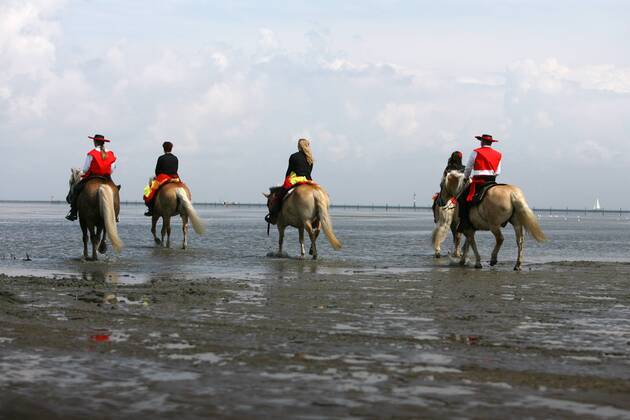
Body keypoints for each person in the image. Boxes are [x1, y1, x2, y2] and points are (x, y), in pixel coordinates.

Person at [66, 134, 117, 221]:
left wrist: (81, 173)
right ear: (103, 142)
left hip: (93, 177)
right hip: (107, 178)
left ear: (95, 142)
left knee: (76, 189)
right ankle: (116, 215)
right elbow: (112, 168)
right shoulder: (111, 153)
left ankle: (73, 212)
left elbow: (85, 169)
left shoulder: (91, 153)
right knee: (115, 190)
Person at [458, 134, 502, 230]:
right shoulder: (498, 154)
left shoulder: (475, 152)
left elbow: (468, 167)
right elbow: (498, 172)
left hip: (478, 181)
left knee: (462, 198)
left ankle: (464, 223)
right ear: (491, 143)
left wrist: (465, 177)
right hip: (492, 181)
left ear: (482, 142)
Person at [265, 138, 314, 224]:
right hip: (308, 180)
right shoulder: (310, 158)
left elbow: (289, 171)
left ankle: (274, 216)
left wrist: (286, 180)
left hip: (296, 179)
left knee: (280, 195)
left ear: (299, 146)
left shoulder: (294, 156)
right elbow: (309, 172)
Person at [144, 141, 179, 216]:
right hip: (175, 177)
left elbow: (157, 171)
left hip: (163, 177)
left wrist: (157, 177)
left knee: (149, 190)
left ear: (163, 149)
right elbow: (176, 169)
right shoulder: (175, 158)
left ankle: (150, 208)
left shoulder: (161, 158)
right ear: (171, 148)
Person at [432, 151, 465, 220]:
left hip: (447, 192)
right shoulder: (464, 168)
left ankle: (436, 217)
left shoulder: (448, 168)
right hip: (460, 193)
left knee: (435, 202)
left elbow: (442, 182)